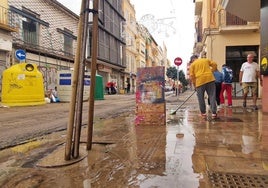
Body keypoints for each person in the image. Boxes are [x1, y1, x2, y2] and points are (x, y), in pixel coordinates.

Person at [189, 55, 218, 119]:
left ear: (192, 60)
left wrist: (195, 85)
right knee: (212, 96)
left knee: (200, 98)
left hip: (200, 81)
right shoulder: (205, 60)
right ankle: (214, 113)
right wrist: (211, 71)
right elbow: (215, 64)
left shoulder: (192, 65)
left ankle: (203, 113)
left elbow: (192, 76)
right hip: (210, 79)